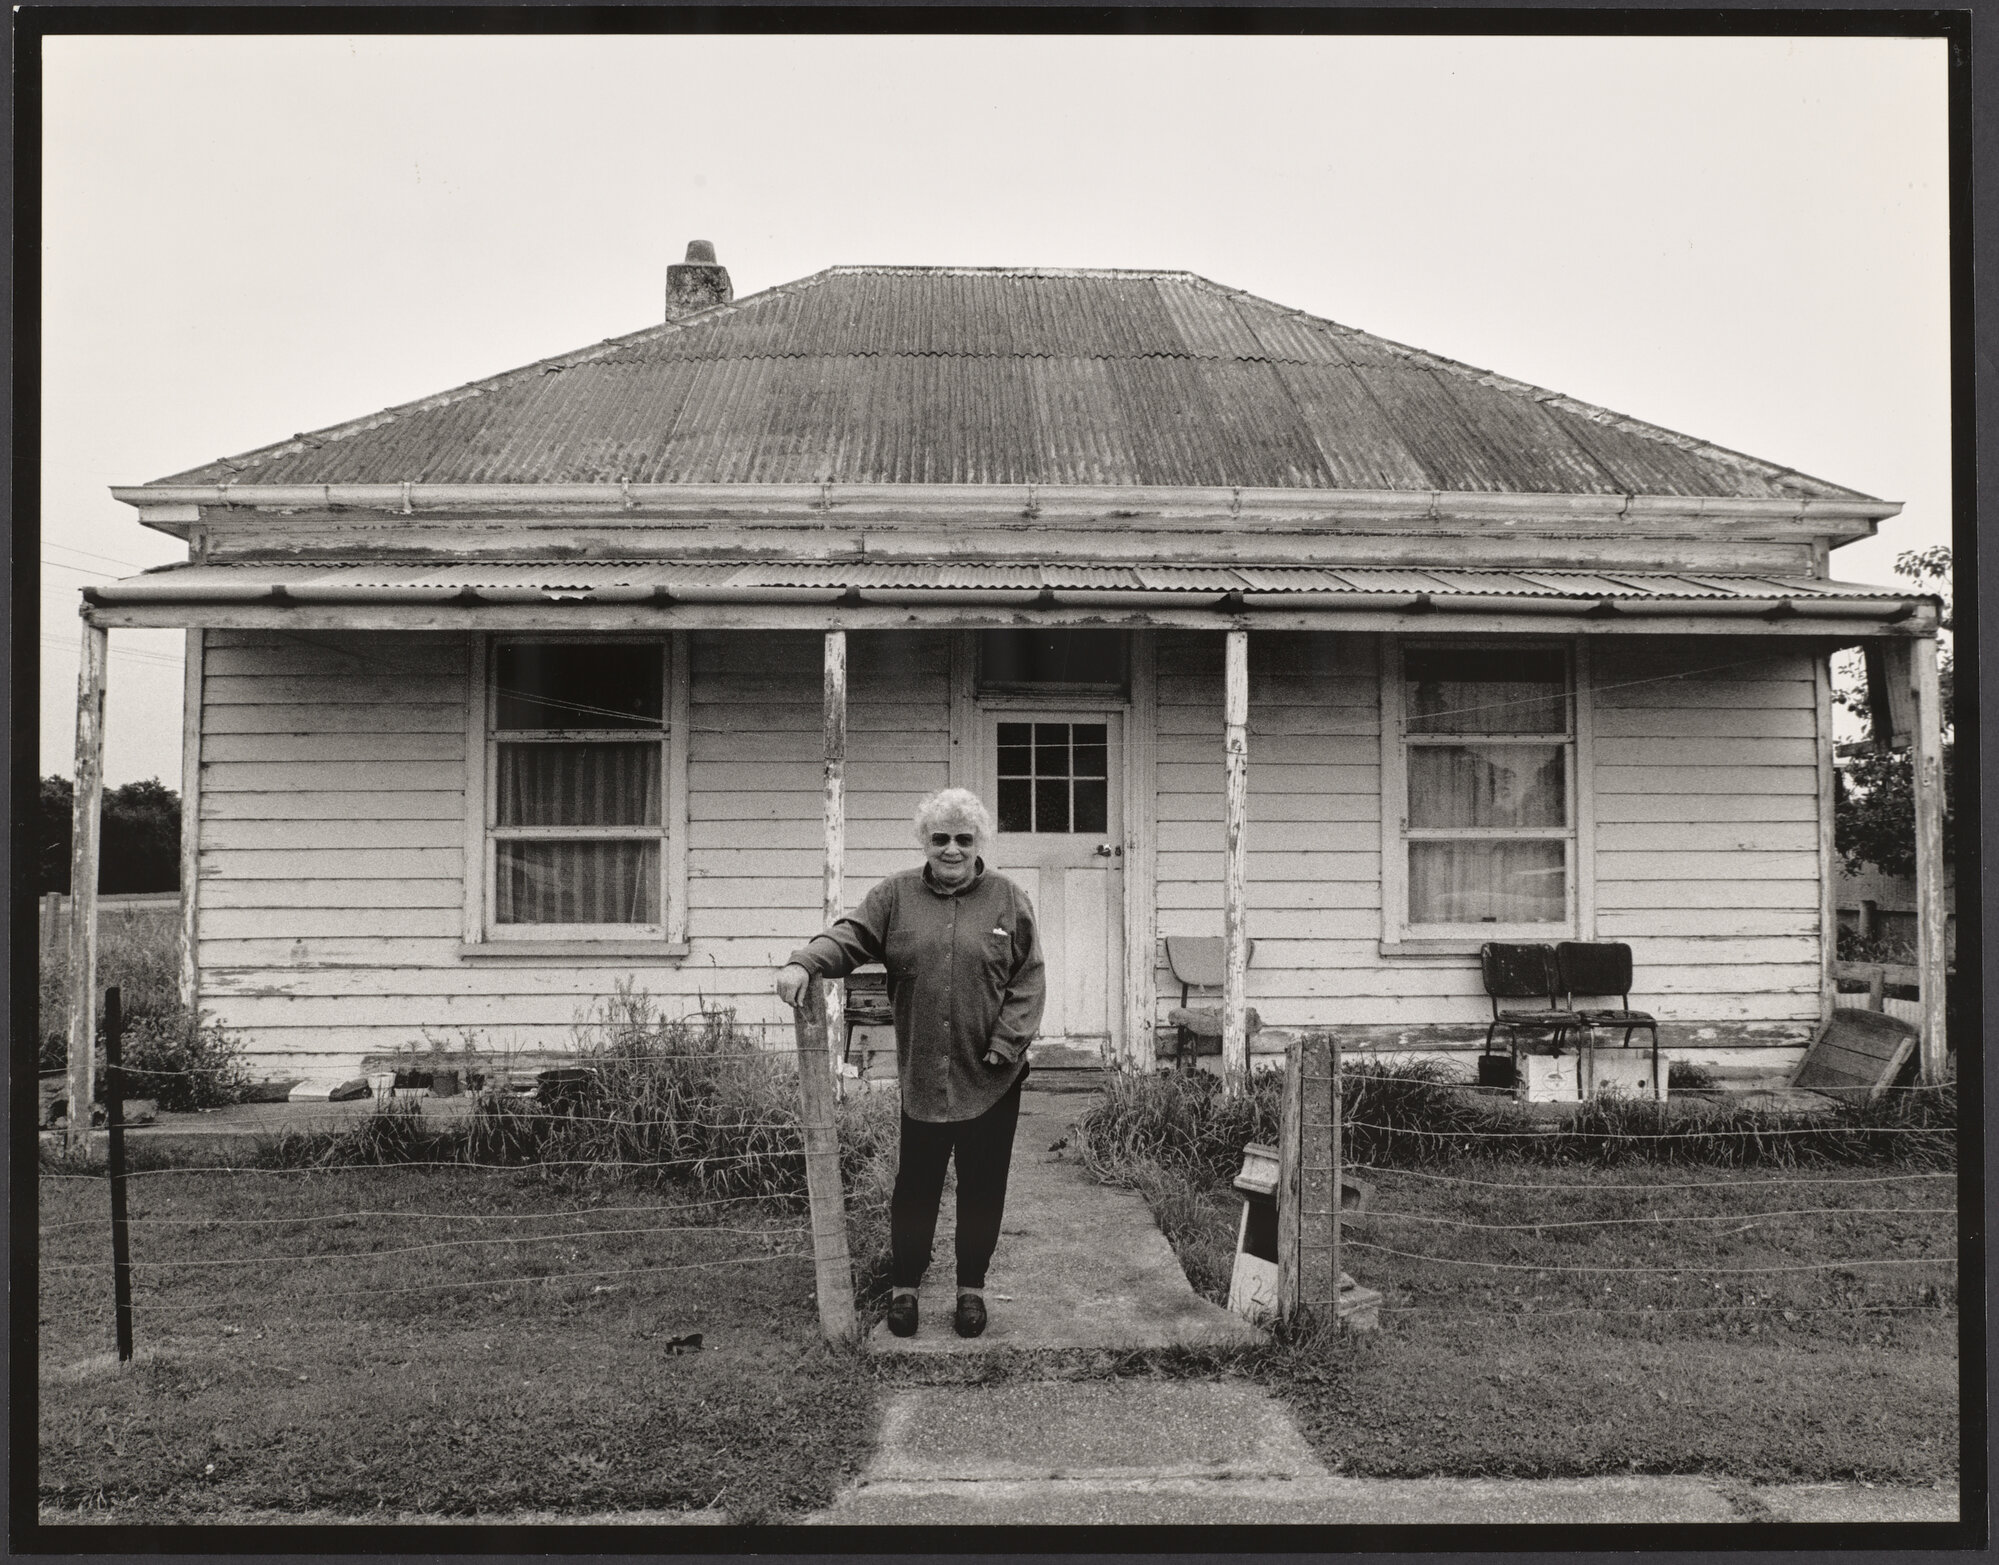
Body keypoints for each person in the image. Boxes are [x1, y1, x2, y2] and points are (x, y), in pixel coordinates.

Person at [776, 787, 1045, 1339]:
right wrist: (805, 962)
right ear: (925, 841)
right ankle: (904, 1290)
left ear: (979, 844)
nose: (951, 849)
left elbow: (1028, 980)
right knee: (915, 1186)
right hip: (924, 1075)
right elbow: (849, 938)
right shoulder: (894, 897)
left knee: (982, 1186)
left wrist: (1005, 1043)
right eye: (940, 838)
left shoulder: (1009, 900)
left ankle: (971, 1290)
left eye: (963, 839)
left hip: (993, 1076)